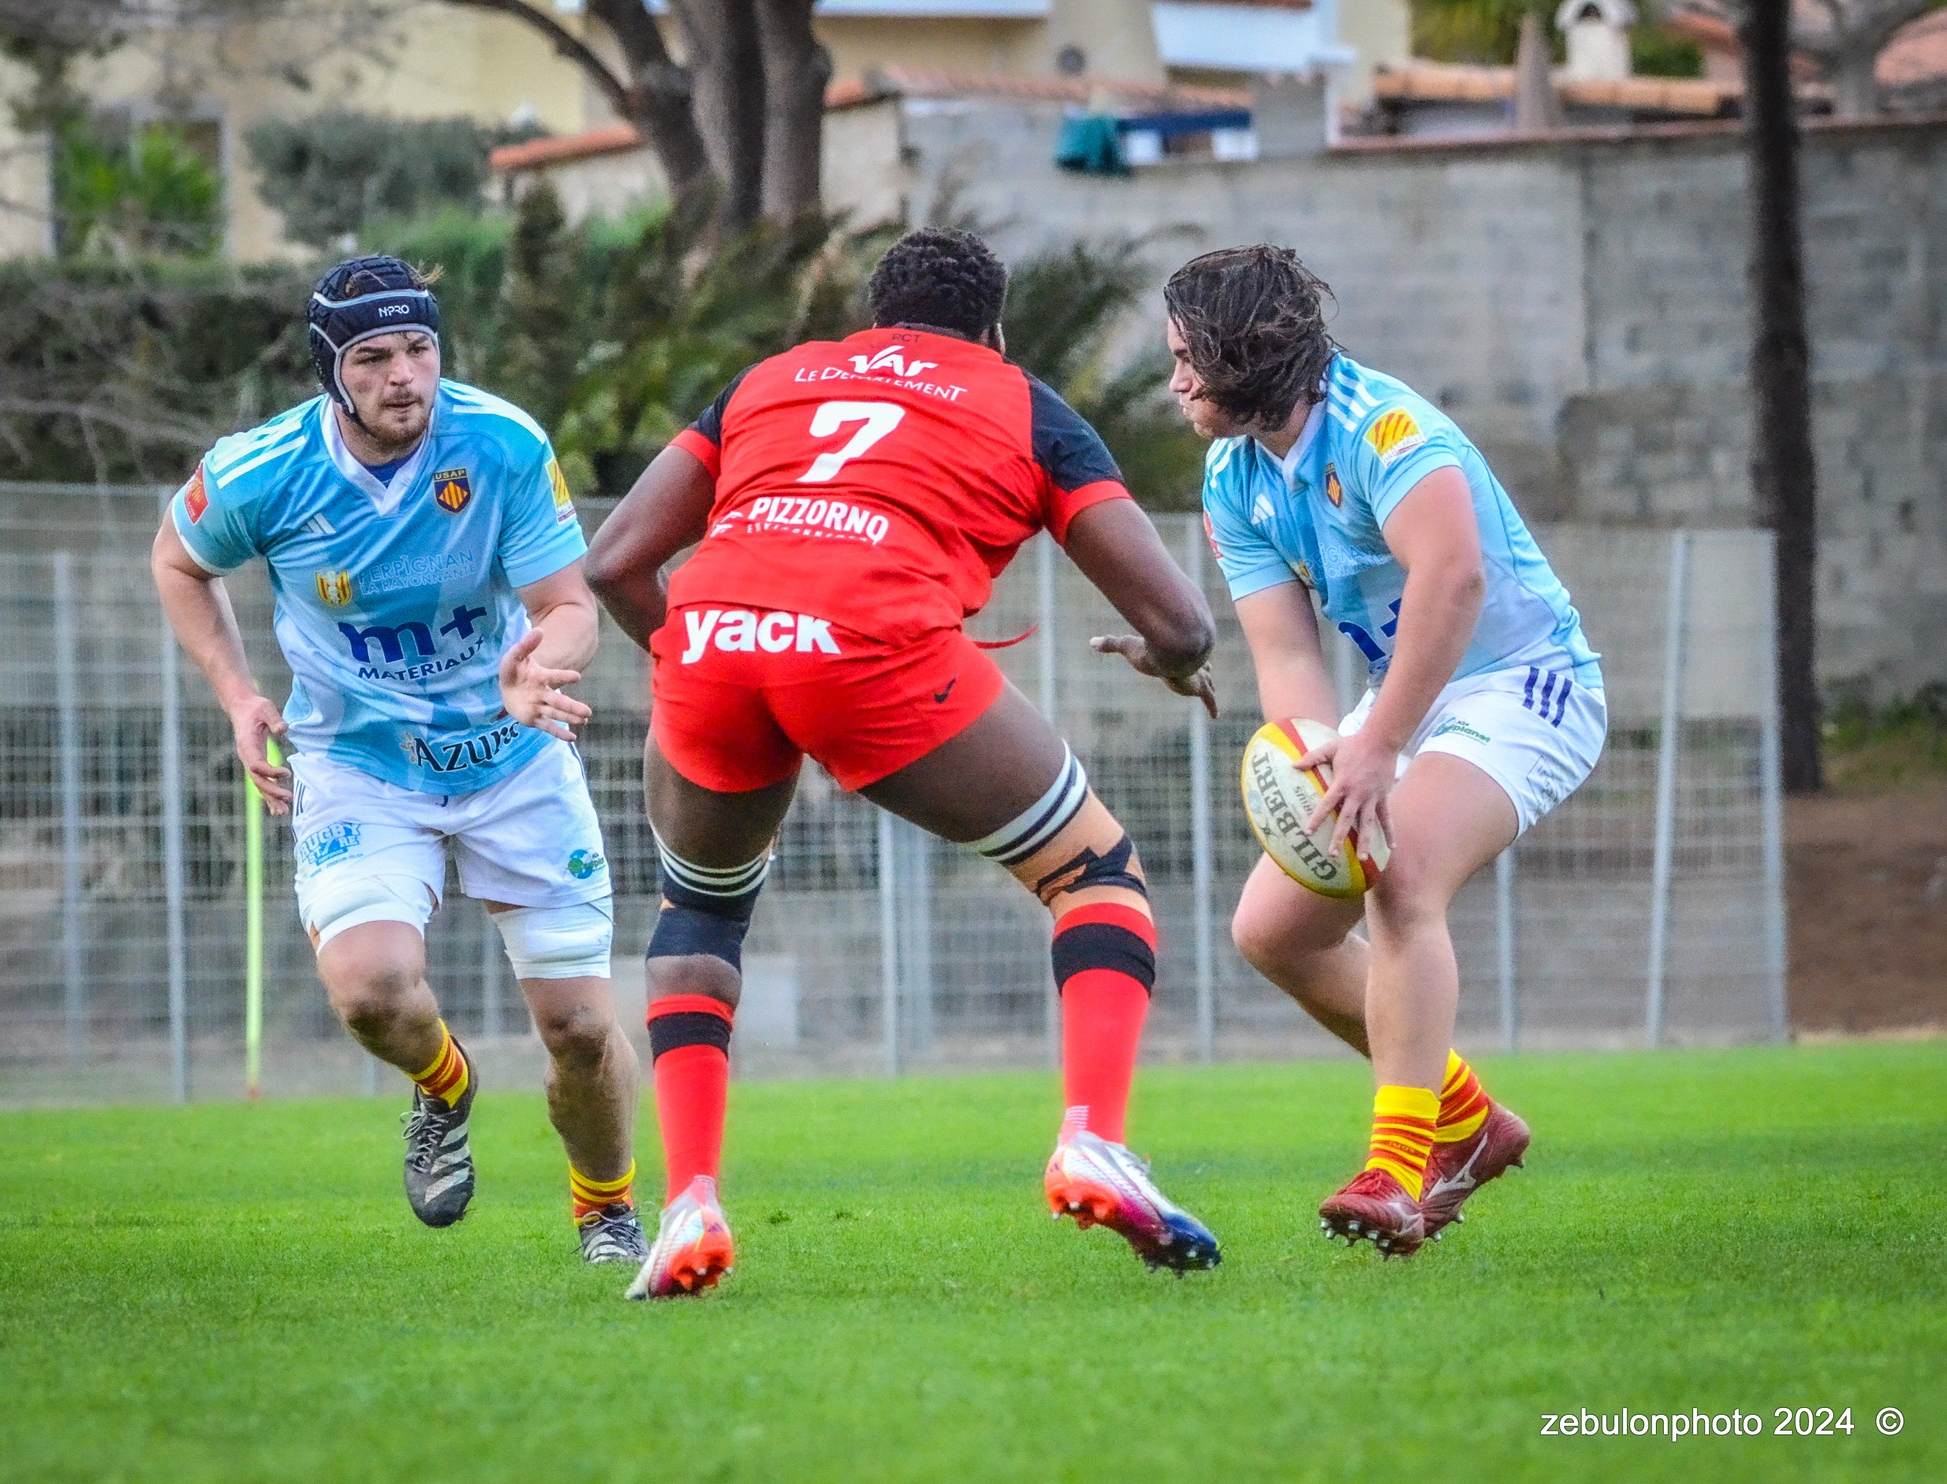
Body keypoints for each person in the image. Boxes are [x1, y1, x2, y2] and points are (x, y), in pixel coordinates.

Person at [586, 228, 1223, 1300]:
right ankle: (1088, 1138)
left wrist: (717, 659)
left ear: (875, 317)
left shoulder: (769, 381)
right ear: (994, 328)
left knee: (695, 920)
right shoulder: (1019, 399)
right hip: (873, 644)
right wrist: (1166, 660)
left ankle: (689, 1198)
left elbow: (613, 562)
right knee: (1093, 874)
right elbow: (1182, 620)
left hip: (709, 636)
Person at [150, 255, 648, 1264]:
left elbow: (569, 605)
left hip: (514, 757)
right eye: (373, 356)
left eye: (418, 348)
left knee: (583, 1031)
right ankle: (445, 1086)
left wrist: (536, 670)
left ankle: (605, 1208)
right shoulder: (261, 471)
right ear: (331, 370)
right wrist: (240, 695)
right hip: (360, 763)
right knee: (372, 986)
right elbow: (177, 559)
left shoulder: (500, 441)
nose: (403, 375)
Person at [1164, 244, 1606, 1258]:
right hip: (1399, 703)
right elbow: (1283, 651)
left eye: (1189, 356)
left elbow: (1452, 582)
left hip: (1524, 683)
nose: (1175, 380)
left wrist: (1378, 744)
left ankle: (1397, 1170)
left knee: (1395, 871)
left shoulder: (1385, 427)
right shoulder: (1232, 475)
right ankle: (1472, 1120)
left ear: (1245, 356)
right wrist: (1322, 750)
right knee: (1271, 928)